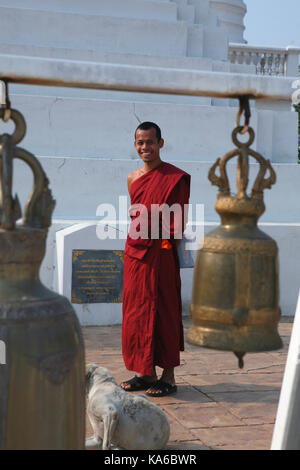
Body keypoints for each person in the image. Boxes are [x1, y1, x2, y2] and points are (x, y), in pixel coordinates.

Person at [121, 122, 190, 397]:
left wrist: (163, 248)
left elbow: (177, 222)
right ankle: (144, 372)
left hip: (160, 254)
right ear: (135, 144)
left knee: (165, 310)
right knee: (136, 311)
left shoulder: (175, 178)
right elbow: (137, 213)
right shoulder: (132, 178)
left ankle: (168, 376)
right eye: (140, 142)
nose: (145, 148)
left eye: (150, 142)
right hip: (135, 254)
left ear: (161, 143)